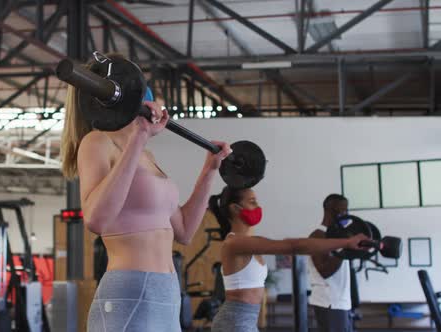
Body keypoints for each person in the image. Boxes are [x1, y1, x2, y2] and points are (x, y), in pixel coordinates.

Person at [60, 54, 231, 332]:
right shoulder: (97, 142)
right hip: (129, 289)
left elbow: (185, 231)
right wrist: (139, 137)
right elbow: (96, 220)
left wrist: (210, 170)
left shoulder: (146, 154)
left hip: (166, 293)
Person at [208, 187, 367, 332]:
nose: (258, 207)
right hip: (234, 322)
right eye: (252, 202)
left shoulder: (250, 242)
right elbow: (293, 246)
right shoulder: (235, 243)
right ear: (235, 208)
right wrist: (346, 242)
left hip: (246, 320)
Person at [308, 194, 353, 332]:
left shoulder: (339, 236)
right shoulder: (318, 235)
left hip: (341, 302)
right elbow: (324, 271)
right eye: (342, 211)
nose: (346, 215)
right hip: (329, 302)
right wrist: (345, 248)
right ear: (330, 210)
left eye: (347, 210)